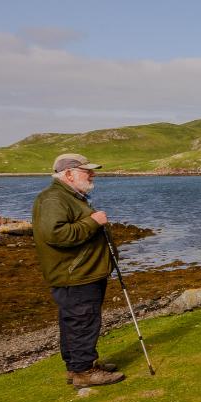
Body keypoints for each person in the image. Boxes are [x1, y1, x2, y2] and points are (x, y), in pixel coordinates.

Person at [32, 153, 125, 388]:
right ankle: (84, 371)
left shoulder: (69, 196)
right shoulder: (54, 199)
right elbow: (56, 234)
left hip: (79, 272)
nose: (93, 174)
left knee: (74, 320)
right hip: (74, 274)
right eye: (87, 171)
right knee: (83, 320)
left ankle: (78, 367)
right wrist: (94, 221)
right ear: (69, 174)